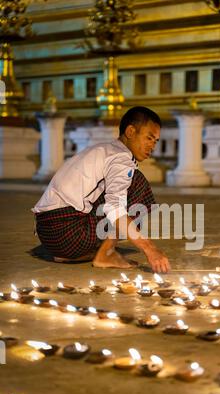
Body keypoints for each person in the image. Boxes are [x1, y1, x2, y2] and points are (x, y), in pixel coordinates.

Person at [32, 106, 171, 273]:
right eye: (149, 138)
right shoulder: (120, 159)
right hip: (68, 234)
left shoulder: (104, 149)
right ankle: (106, 253)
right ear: (130, 131)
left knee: (119, 191)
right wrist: (150, 249)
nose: (152, 146)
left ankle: (75, 254)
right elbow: (114, 207)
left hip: (48, 234)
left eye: (155, 141)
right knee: (137, 182)